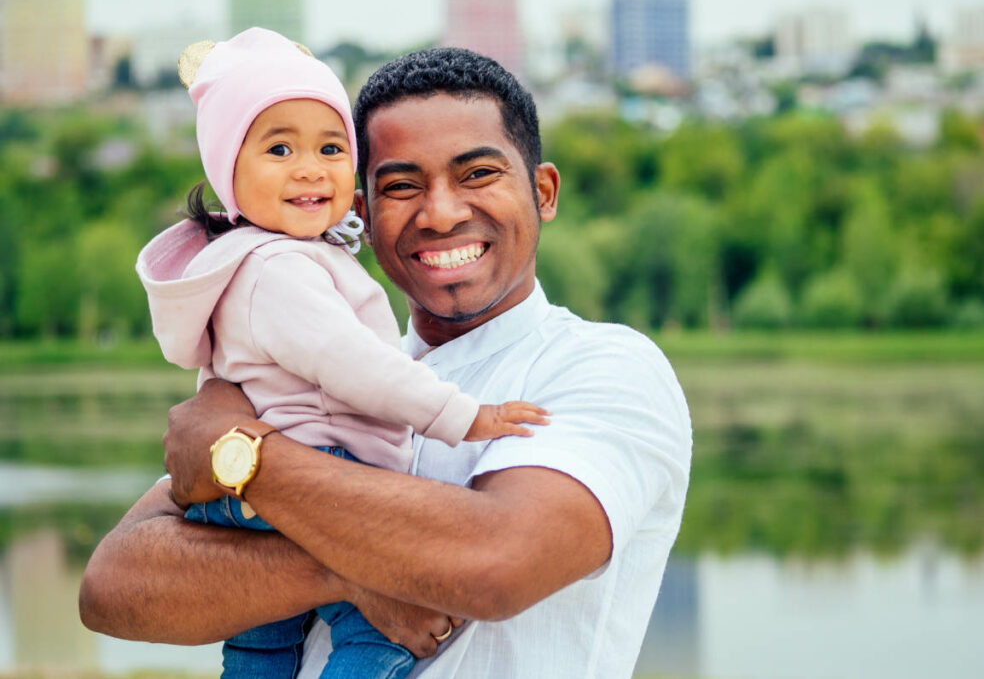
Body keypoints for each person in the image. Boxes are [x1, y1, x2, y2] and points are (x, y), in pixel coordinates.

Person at [80, 46, 692, 679]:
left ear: (543, 192)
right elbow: (113, 587)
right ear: (361, 215)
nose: (442, 212)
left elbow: (497, 564)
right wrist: (343, 574)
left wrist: (242, 458)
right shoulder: (315, 372)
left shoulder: (602, 367)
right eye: (401, 186)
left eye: (477, 174)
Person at [135, 28, 547, 679]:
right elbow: (350, 362)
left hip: (252, 486)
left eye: (330, 148)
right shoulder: (279, 270)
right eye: (278, 148)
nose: (308, 166)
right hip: (320, 460)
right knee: (383, 628)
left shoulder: (257, 263)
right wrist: (463, 415)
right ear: (228, 173)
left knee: (260, 646)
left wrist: (230, 448)